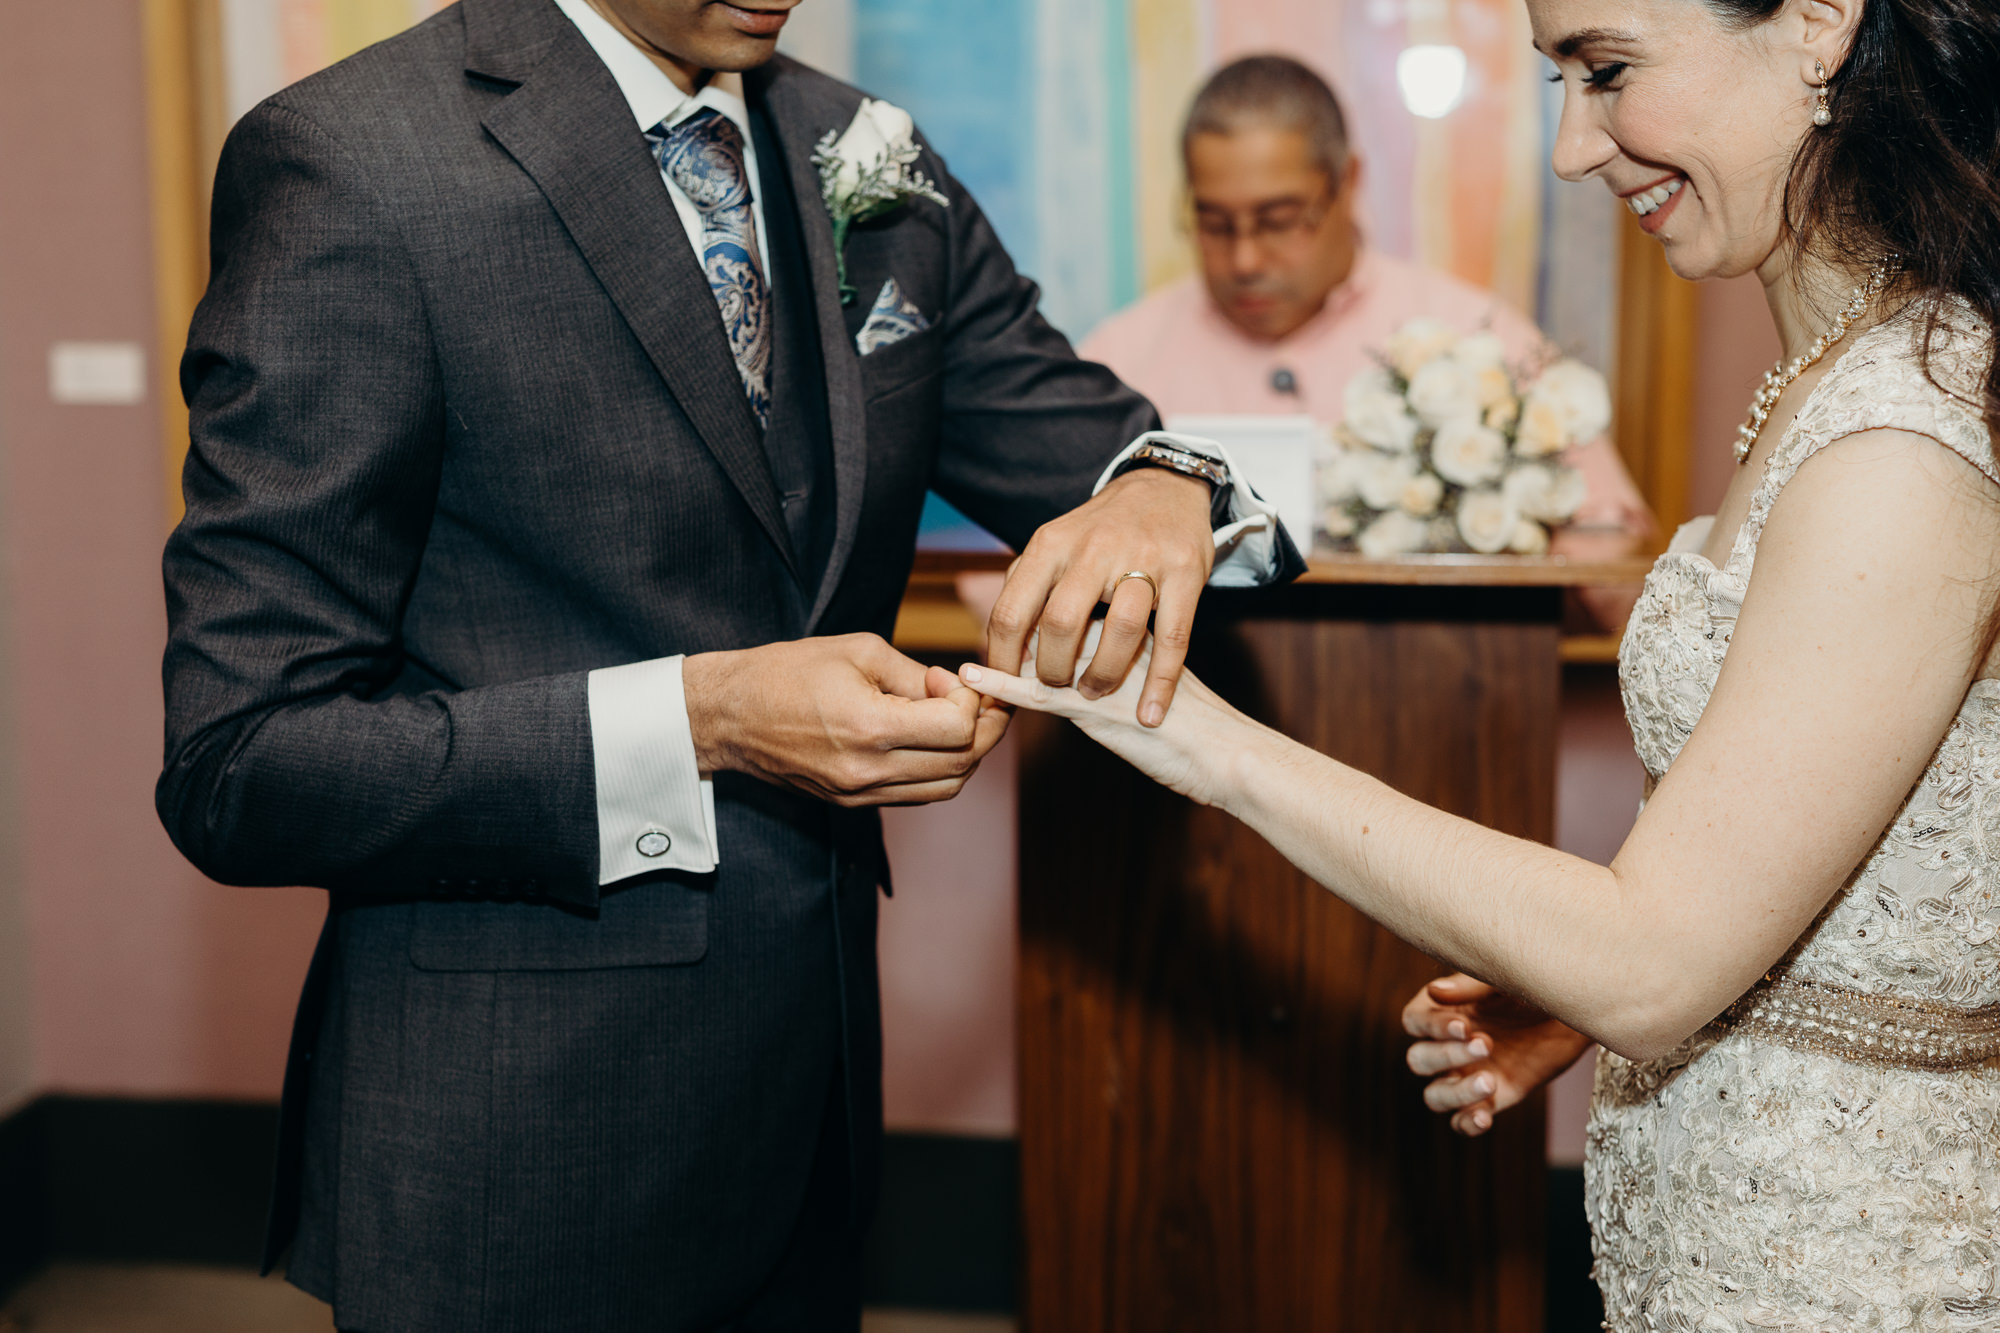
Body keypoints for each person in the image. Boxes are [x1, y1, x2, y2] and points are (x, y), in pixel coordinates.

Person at [153, 0, 1299, 1327]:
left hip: (807, 1119)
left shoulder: (863, 150)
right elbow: (242, 762)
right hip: (520, 1149)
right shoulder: (358, 160)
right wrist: (701, 719)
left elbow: (1091, 441)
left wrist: (1161, 487)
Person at [959, 0, 2000, 1323]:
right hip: (1727, 1219)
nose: (1573, 147)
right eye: (1559, 80)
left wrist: (1202, 742)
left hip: (1852, 1257)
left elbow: (1655, 957)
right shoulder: (1838, 378)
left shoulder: (1897, 441)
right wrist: (1594, 997)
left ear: (1813, 23)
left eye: (1608, 70)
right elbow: (1813, 837)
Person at [1081, 55, 1655, 626]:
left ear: (1347, 182)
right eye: (1214, 223)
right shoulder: (1117, 360)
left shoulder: (1479, 341)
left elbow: (1626, 586)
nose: (1245, 258)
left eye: (1279, 219)